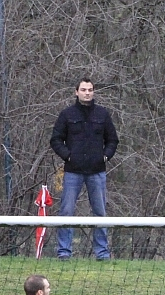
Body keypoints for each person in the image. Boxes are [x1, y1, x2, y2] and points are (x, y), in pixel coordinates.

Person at [50, 77, 119, 261]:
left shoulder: (102, 114)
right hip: (72, 171)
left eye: (90, 90)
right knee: (66, 211)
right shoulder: (67, 114)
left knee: (100, 213)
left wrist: (105, 156)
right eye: (83, 90)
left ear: (93, 92)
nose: (87, 93)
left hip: (97, 172)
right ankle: (64, 252)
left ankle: (102, 253)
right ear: (76, 92)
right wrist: (68, 156)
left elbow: (113, 140)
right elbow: (56, 140)